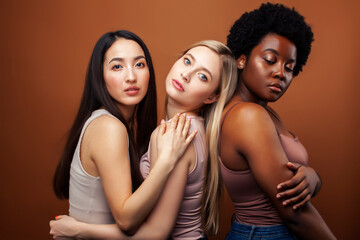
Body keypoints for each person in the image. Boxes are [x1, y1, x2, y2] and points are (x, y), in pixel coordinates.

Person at [50, 40, 238, 239]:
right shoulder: (194, 127)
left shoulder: (176, 134)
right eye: (187, 61)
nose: (186, 74)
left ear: (212, 97)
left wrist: (78, 230)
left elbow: (154, 233)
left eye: (202, 76)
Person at [220, 3, 336, 239]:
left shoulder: (264, 112)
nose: (281, 73)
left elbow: (295, 182)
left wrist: (314, 179)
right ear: (241, 60)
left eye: (290, 68)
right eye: (270, 60)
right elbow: (293, 212)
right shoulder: (247, 116)